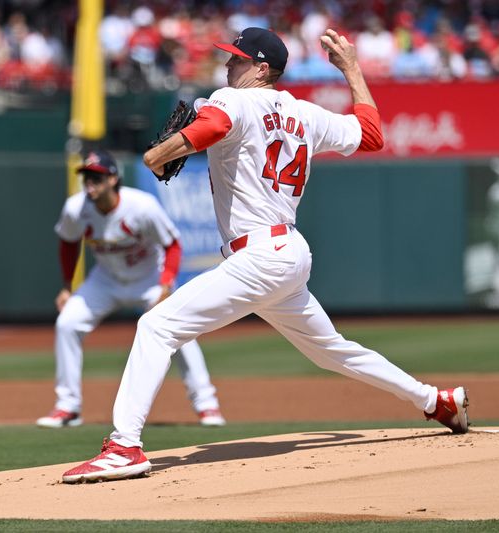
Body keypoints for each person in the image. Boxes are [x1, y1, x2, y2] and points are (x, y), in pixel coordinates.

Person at [61, 27, 468, 483]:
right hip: (287, 253)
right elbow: (371, 135)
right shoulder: (305, 114)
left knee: (156, 326)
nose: (228, 65)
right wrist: (352, 68)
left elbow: (213, 126)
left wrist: (160, 152)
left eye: (237, 59)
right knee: (333, 351)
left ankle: (124, 447)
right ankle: (435, 401)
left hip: (258, 255)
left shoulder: (233, 99)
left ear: (261, 68)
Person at [36, 149, 226, 429]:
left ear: (113, 179)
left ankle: (206, 404)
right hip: (105, 279)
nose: (90, 182)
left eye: (97, 176)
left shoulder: (142, 206)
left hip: (148, 278)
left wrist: (166, 282)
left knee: (179, 328)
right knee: (67, 323)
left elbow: (172, 244)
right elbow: (68, 242)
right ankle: (68, 407)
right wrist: (67, 286)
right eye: (87, 176)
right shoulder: (76, 208)